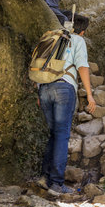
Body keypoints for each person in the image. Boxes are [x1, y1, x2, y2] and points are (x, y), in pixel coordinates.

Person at [38, 15, 96, 194]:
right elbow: (82, 67)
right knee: (62, 136)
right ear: (83, 31)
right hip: (63, 88)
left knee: (54, 134)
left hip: (45, 88)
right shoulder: (77, 40)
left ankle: (44, 177)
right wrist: (90, 95)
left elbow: (40, 65)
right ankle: (55, 184)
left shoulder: (54, 38)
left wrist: (39, 92)